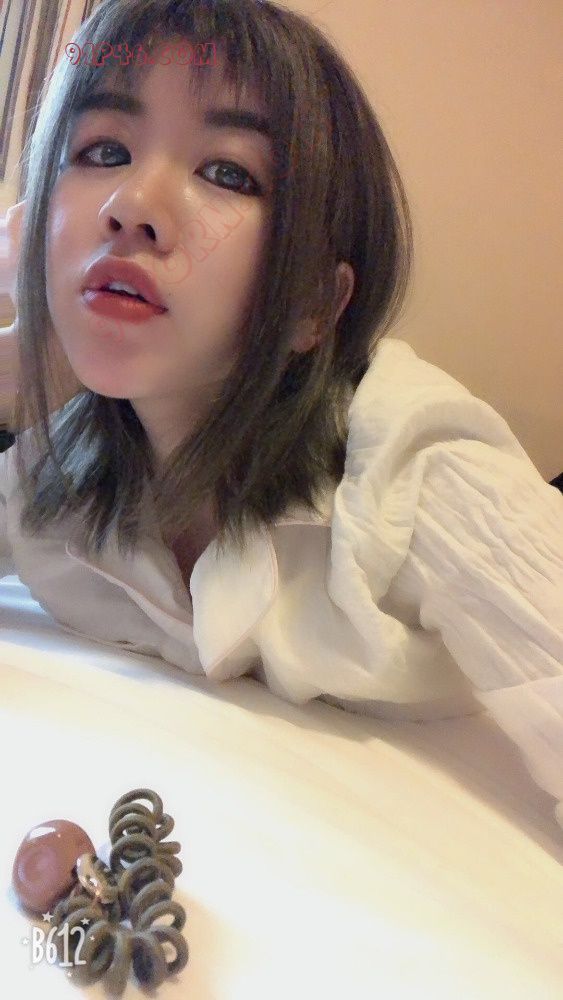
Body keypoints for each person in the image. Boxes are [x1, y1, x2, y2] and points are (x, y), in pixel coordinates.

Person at [2, 0, 563, 828]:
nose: (131, 203)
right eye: (103, 150)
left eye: (227, 173)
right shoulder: (58, 472)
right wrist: (13, 372)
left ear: (310, 303)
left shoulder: (419, 475)